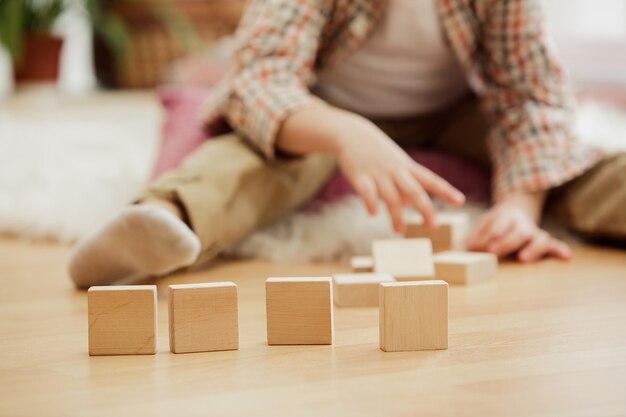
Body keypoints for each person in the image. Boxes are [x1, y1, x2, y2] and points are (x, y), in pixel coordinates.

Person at [68, 0, 625, 288]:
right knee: (253, 160)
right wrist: (345, 133)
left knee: (567, 156)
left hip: (455, 109)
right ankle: (163, 219)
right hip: (324, 106)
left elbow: (529, 94)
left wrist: (519, 206)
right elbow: (260, 77)